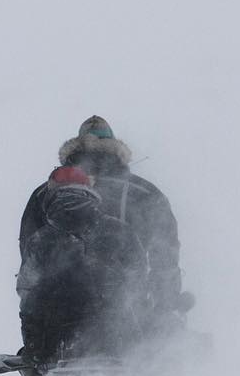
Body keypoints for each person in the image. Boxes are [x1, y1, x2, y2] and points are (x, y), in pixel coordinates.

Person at [19, 116, 188, 336]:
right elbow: (165, 257)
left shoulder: (45, 194)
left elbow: (29, 258)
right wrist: (166, 309)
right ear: (116, 151)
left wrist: (33, 328)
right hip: (129, 318)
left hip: (57, 322)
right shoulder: (145, 193)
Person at [17, 166, 151, 372]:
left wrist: (34, 347)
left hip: (57, 349)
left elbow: (29, 298)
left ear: (52, 195)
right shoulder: (120, 232)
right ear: (89, 192)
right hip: (120, 344)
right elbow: (139, 284)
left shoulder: (41, 240)